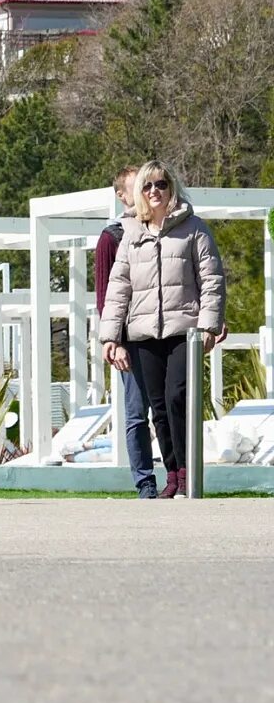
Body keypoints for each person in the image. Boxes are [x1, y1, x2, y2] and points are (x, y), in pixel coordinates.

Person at [100, 161, 226, 500]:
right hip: (144, 334)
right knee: (157, 407)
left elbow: (212, 279)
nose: (154, 191)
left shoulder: (194, 228)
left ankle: (187, 470)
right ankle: (171, 473)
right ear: (139, 193)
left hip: (184, 331)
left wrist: (209, 325)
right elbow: (118, 287)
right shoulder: (131, 234)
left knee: (176, 396)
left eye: (161, 184)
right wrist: (110, 337)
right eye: (147, 186)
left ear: (172, 188)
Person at [94, 166, 156, 498]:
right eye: (137, 187)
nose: (146, 192)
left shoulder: (161, 229)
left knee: (170, 409)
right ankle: (145, 482)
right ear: (121, 195)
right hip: (129, 339)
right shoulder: (112, 237)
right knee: (136, 412)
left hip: (161, 335)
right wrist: (114, 341)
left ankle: (180, 477)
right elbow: (105, 297)